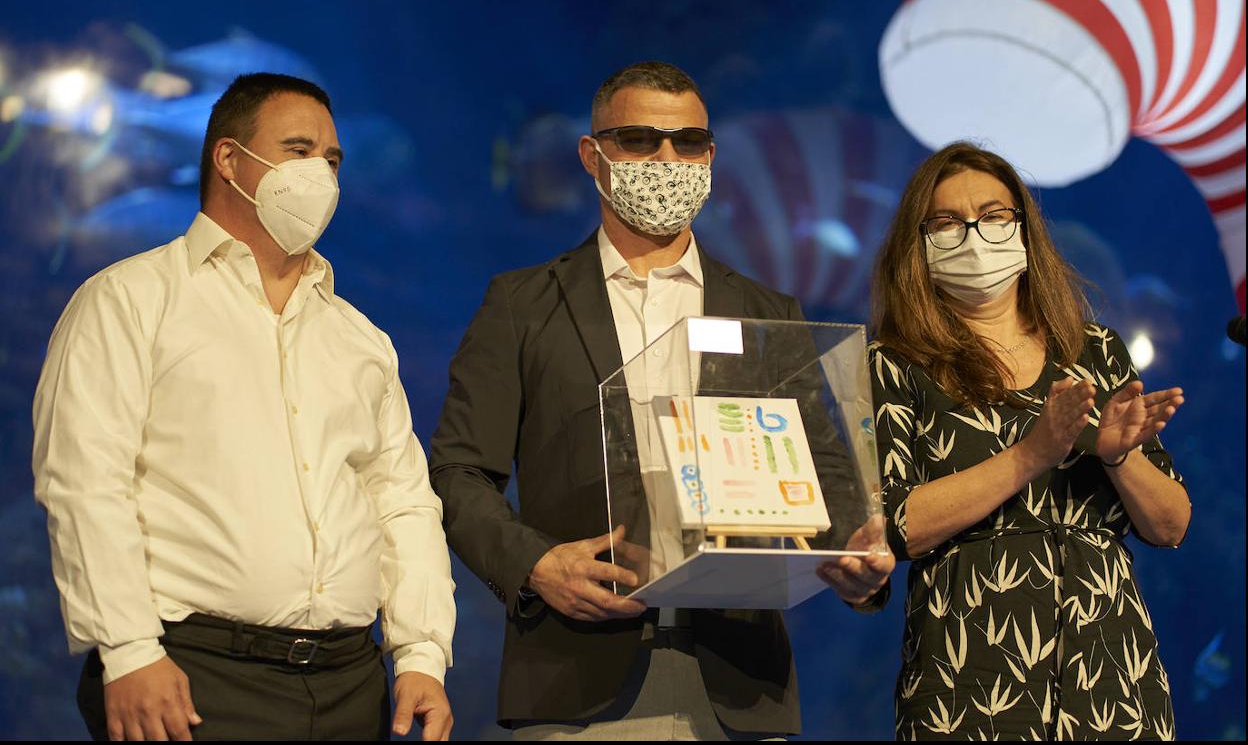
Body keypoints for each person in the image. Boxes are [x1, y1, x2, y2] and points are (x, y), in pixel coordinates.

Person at [428, 60, 893, 741]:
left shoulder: (766, 311)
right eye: (641, 141)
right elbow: (459, 473)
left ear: (710, 155)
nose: (667, 160)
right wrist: (532, 567)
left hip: (739, 682)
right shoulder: (522, 306)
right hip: (575, 674)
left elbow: (827, 486)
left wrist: (857, 568)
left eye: (688, 143)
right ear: (593, 156)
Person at [32, 72, 455, 741]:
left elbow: (400, 499)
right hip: (197, 677)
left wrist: (422, 654)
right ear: (229, 160)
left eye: (333, 159)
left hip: (352, 683)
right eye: (298, 149)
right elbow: (86, 482)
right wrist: (130, 650)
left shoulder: (359, 337)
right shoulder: (131, 301)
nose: (320, 172)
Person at [868, 142, 1190, 740]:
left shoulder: (1093, 349)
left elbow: (1170, 525)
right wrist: (1030, 457)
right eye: (948, 223)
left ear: (1022, 227)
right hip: (971, 679)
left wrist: (1118, 456)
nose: (974, 236)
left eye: (993, 216)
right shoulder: (896, 362)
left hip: (1112, 674)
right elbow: (894, 523)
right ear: (920, 242)